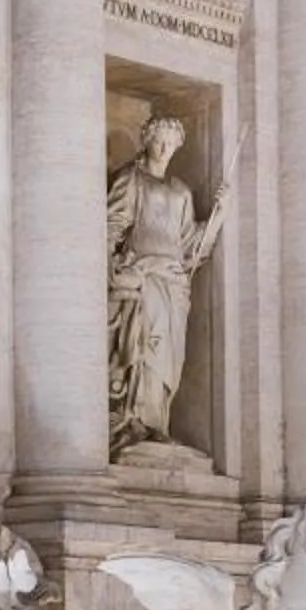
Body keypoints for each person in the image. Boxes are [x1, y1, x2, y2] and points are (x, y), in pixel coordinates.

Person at [105, 114, 226, 453]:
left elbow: (190, 246)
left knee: (169, 356)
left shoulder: (181, 192)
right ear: (146, 139)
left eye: (171, 144)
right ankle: (134, 419)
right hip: (143, 277)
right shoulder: (131, 180)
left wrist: (219, 214)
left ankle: (157, 420)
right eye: (159, 140)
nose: (164, 148)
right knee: (146, 347)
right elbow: (112, 226)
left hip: (173, 283)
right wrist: (111, 268)